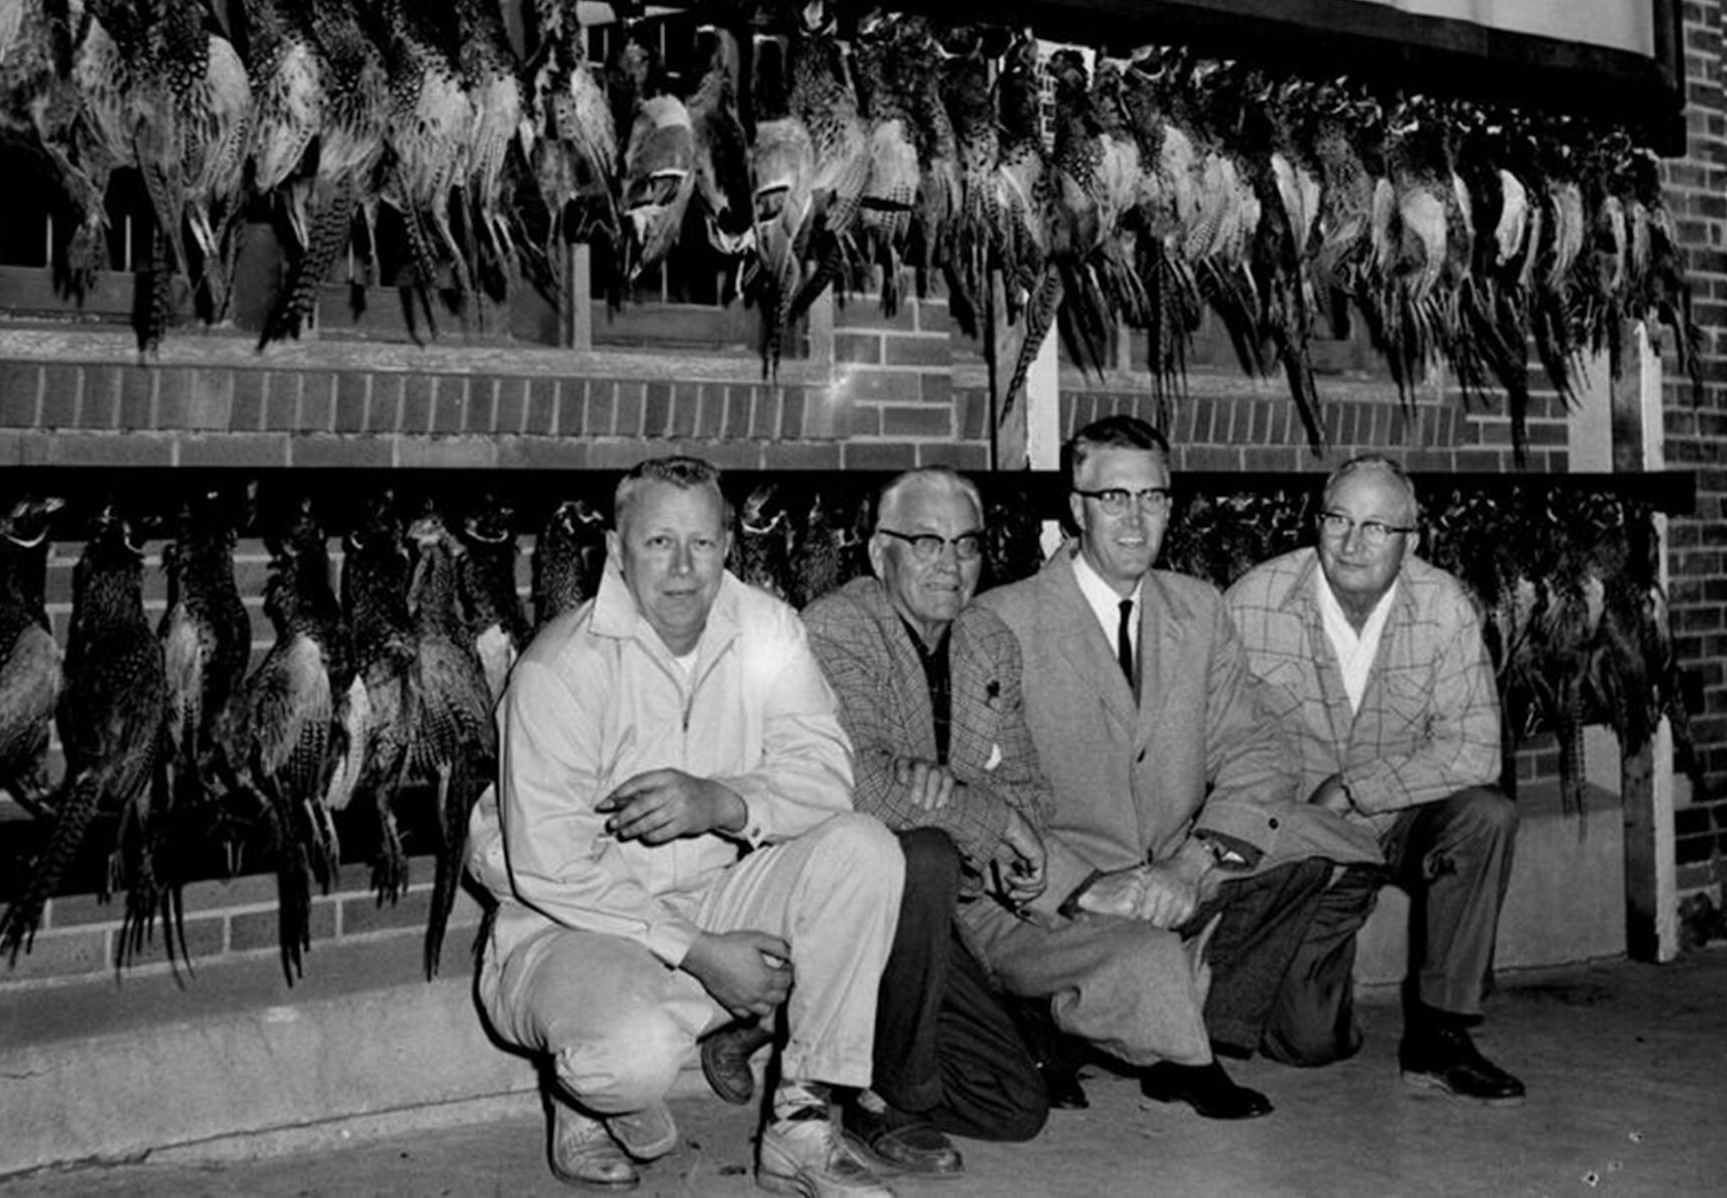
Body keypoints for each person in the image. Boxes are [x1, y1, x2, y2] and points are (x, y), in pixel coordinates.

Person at [466, 455, 905, 1196]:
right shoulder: (559, 667)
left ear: (729, 545)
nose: (682, 568)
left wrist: (721, 801)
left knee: (864, 852)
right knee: (623, 1058)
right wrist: (700, 953)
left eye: (701, 543)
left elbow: (828, 778)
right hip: (570, 922)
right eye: (657, 543)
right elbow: (550, 867)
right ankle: (586, 1100)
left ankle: (801, 1127)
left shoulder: (769, 632)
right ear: (614, 550)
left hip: (717, 892)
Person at [976, 414, 1372, 1120]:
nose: (1135, 520)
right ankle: (1164, 1045)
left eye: (1153, 497)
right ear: (1076, 508)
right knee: (1144, 959)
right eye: (1113, 498)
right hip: (1054, 895)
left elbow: (1254, 750)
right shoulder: (1001, 621)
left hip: (1171, 871)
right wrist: (1088, 887)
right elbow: (980, 796)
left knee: (1330, 847)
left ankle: (1189, 1017)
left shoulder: (1198, 607)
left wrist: (1192, 864)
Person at [1225, 453, 1525, 1102]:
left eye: (1377, 527)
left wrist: (1362, 787)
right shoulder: (1254, 601)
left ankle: (1440, 1034)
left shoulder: (1443, 604)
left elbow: (1476, 752)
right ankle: (1324, 974)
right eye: (1338, 519)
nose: (1353, 543)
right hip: (1307, 840)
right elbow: (1215, 740)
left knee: (1484, 815)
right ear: (1318, 522)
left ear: (1411, 540)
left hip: (1405, 821)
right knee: (1305, 1045)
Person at [789, 468, 1053, 1176]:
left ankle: (856, 1061)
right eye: (926, 542)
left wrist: (964, 800)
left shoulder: (989, 640)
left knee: (1015, 1106)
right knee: (926, 850)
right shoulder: (835, 628)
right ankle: (885, 1103)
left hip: (936, 917)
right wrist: (985, 814)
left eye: (966, 544)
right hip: (845, 899)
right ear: (881, 554)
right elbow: (865, 789)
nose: (950, 564)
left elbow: (1033, 793)